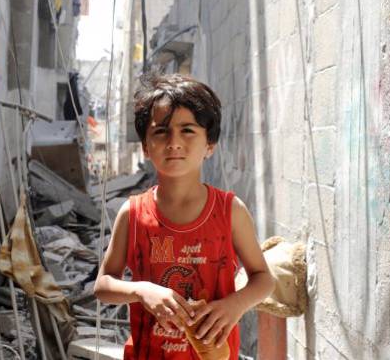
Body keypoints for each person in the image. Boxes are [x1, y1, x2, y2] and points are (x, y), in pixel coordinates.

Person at [94, 73, 276, 359]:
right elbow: (103, 285)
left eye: (188, 130)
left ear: (210, 144)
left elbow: (263, 278)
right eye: (161, 131)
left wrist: (234, 305)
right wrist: (141, 291)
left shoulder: (230, 211)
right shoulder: (133, 213)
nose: (174, 142)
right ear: (145, 145)